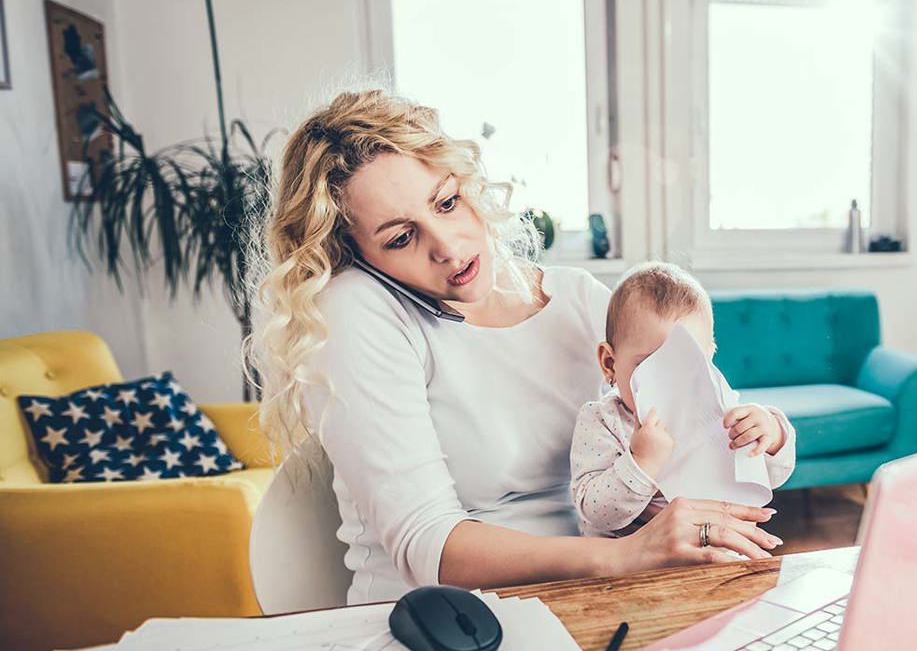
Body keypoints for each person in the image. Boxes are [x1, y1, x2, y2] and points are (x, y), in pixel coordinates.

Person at [251, 89, 780, 604]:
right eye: (399, 238)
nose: (448, 246)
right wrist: (627, 555)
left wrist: (761, 439)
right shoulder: (357, 309)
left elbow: (711, 431)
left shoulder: (578, 300)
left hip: (600, 597)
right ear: (357, 256)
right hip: (447, 622)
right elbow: (427, 544)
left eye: (447, 202)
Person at [571, 262, 795, 537]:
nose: (668, 382)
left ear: (709, 358)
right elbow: (596, 513)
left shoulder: (721, 411)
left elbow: (772, 477)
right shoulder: (603, 421)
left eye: (687, 363)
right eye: (648, 365)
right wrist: (642, 462)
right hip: (632, 565)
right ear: (610, 363)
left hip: (718, 550)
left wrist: (771, 436)